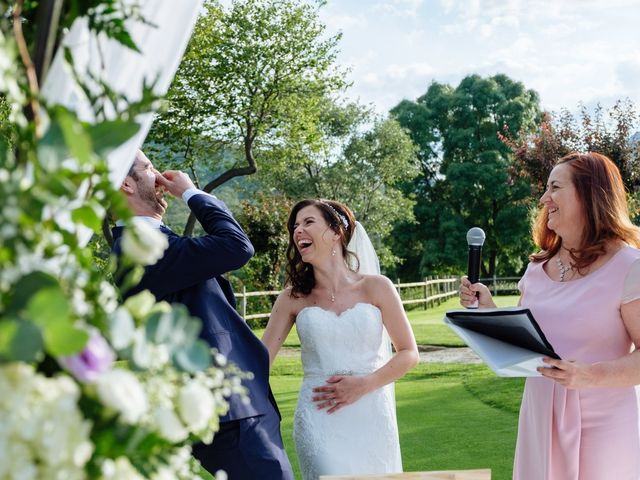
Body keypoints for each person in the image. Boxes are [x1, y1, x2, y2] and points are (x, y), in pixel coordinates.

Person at [112, 150, 294, 479]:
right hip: (228, 410)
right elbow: (237, 246)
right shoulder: (140, 247)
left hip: (233, 407)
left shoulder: (149, 242)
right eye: (148, 167)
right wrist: (190, 192)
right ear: (126, 183)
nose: (159, 175)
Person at [460, 152, 640, 480]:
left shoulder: (630, 267)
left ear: (589, 195)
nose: (544, 199)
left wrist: (588, 375)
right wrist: (489, 311)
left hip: (602, 426)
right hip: (539, 415)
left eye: (555, 188)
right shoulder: (535, 269)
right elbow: (532, 341)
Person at [262, 199, 419, 480]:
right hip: (318, 417)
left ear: (336, 232)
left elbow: (409, 352)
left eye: (308, 222)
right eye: (295, 226)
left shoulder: (377, 287)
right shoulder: (291, 299)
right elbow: (258, 362)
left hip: (372, 415)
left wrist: (364, 385)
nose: (298, 231)